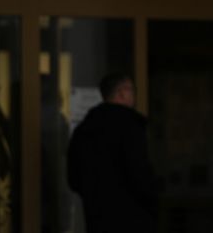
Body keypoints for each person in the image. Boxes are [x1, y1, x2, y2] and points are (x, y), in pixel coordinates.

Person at [67, 73, 159, 233]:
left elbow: (74, 178)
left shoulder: (85, 129)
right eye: (130, 90)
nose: (133, 96)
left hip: (97, 219)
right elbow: (139, 175)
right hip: (132, 219)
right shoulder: (130, 127)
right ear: (122, 93)